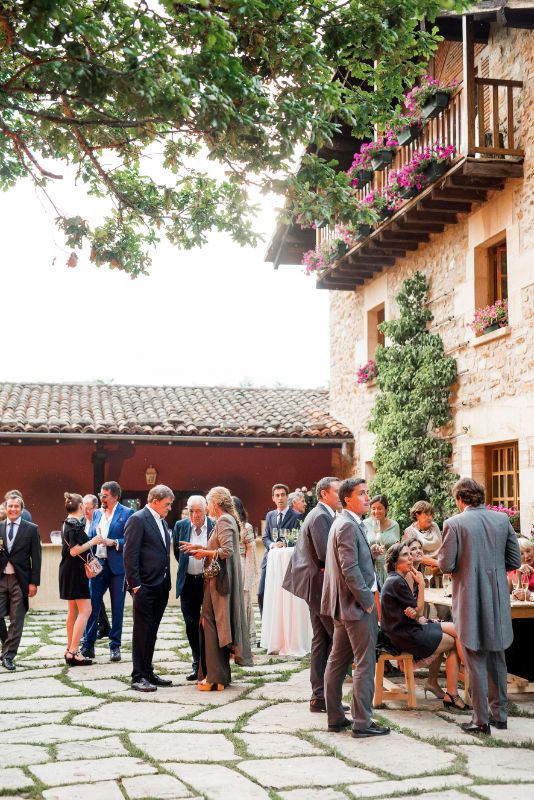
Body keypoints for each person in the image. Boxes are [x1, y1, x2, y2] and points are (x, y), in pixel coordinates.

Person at [438, 477, 521, 735]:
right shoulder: (501, 520)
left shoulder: (454, 523)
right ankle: (500, 716)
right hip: (497, 596)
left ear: (460, 498)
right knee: (497, 655)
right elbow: (515, 560)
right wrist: (492, 572)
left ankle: (481, 720)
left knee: (474, 656)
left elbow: (445, 565)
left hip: (469, 595)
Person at [321, 478, 390, 738]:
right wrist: (368, 601)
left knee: (338, 661)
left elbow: (349, 562)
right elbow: (349, 570)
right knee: (364, 663)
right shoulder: (347, 525)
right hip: (355, 606)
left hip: (343, 606)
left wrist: (369, 553)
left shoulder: (347, 522)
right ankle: (362, 722)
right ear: (347, 499)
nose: (367, 498)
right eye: (362, 494)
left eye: (367, 492)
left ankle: (336, 718)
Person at [181, 486, 252, 690]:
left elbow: (227, 551)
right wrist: (199, 549)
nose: (208, 506)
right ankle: (218, 676)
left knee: (211, 625)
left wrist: (204, 553)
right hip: (217, 583)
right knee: (212, 625)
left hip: (220, 584)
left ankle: (215, 678)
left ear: (216, 503)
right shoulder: (226, 520)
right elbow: (219, 547)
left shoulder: (224, 520)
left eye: (208, 502)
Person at [381, 542, 468, 709]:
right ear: (395, 562)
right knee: (455, 643)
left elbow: (415, 612)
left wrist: (415, 613)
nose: (411, 558)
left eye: (410, 554)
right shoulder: (397, 581)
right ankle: (455, 691)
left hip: (409, 628)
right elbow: (419, 611)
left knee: (458, 630)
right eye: (406, 555)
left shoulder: (396, 579)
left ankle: (459, 682)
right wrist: (421, 584)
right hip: (407, 635)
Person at [283, 476, 340, 713]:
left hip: (315, 585)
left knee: (322, 640)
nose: (341, 495)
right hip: (317, 585)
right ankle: (327, 696)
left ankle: (320, 697)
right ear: (324, 493)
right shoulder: (320, 516)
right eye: (337, 491)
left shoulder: (322, 514)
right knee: (336, 639)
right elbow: (326, 554)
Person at [123, 484, 174, 692]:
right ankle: (138, 676)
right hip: (144, 586)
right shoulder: (137, 519)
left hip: (161, 584)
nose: (170, 508)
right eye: (167, 504)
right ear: (154, 500)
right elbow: (130, 554)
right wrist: (136, 586)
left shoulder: (161, 521)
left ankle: (148, 671)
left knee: (152, 630)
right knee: (142, 630)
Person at [81, 481, 133, 662]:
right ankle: (88, 645)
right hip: (98, 565)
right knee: (92, 606)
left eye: (104, 496)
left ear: (115, 497)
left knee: (117, 607)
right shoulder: (96, 514)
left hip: (118, 567)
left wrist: (114, 542)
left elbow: (131, 541)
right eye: (100, 495)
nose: (101, 499)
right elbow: (89, 538)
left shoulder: (127, 513)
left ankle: (115, 646)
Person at [173, 495, 215, 681]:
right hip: (188, 582)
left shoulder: (214, 525)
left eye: (198, 511)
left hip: (208, 582)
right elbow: (177, 553)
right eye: (191, 511)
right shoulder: (180, 526)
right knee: (191, 624)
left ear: (206, 509)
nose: (195, 515)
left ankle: (210, 664)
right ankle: (197, 663)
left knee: (209, 624)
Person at [59, 493, 105, 666]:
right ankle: (73, 651)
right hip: (74, 572)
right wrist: (94, 541)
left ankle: (70, 648)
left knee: (74, 611)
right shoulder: (74, 525)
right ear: (81, 507)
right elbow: (74, 550)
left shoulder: (67, 523)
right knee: (86, 610)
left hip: (68, 570)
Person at [0, 492, 42, 671]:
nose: (13, 509)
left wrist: (34, 583)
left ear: (21, 509)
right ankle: (6, 645)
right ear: (5, 507)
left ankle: (9, 656)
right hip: (1, 578)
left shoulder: (31, 529)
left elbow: (36, 558)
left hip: (20, 580)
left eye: (16, 506)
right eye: (10, 506)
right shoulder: (0, 526)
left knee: (17, 620)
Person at [258, 483, 302, 615]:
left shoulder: (296, 516)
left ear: (287, 497)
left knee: (283, 598)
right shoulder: (270, 515)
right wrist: (272, 545)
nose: (280, 498)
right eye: (277, 495)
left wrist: (285, 544)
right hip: (270, 560)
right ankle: (266, 625)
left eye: (283, 495)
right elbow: (265, 537)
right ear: (273, 498)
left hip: (287, 561)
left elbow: (298, 539)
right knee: (262, 593)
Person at [83, 494, 111, 640]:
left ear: (96, 507)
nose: (86, 512)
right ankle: (104, 627)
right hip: (88, 563)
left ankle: (100, 628)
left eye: (89, 509)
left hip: (99, 561)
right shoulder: (83, 522)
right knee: (94, 596)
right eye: (84, 508)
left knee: (94, 596)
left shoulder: (100, 519)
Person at [233, 496, 258, 650]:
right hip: (227, 566)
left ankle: (246, 641)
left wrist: (248, 578)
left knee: (244, 603)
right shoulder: (223, 525)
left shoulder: (246, 527)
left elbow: (251, 551)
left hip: (242, 564)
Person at [363, 495, 400, 585]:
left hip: (390, 570)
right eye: (373, 508)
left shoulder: (394, 525)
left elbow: (398, 548)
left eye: (380, 508)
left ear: (386, 509)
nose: (376, 512)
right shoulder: (364, 524)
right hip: (371, 569)